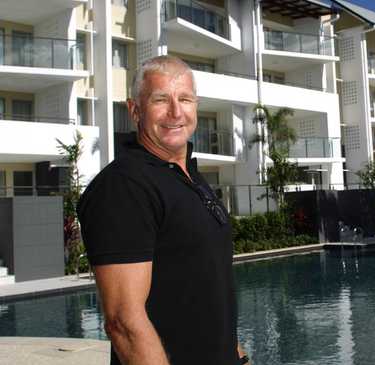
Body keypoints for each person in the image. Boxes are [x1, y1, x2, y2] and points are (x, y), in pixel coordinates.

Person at [77, 55, 247, 364]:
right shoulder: (124, 186)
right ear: (135, 110)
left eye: (185, 99)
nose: (176, 112)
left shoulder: (190, 177)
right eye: (160, 100)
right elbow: (124, 323)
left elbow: (211, 290)